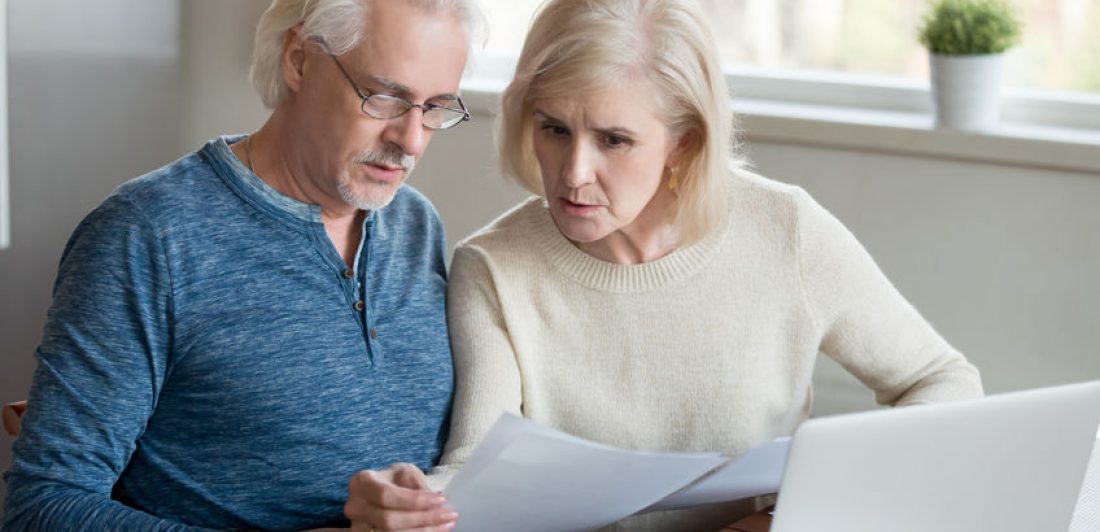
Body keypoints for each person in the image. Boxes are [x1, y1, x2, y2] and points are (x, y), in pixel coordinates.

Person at [344, 0, 985, 530]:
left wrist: (805, 512)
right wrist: (413, 504)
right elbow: (474, 467)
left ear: (685, 141)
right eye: (554, 128)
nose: (573, 173)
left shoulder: (784, 230)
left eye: (614, 140)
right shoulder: (493, 267)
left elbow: (942, 380)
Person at [1, 0, 484, 529]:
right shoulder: (147, 235)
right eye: (385, 97)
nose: (410, 140)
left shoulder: (416, 225)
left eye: (436, 107)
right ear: (298, 59)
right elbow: (43, 506)